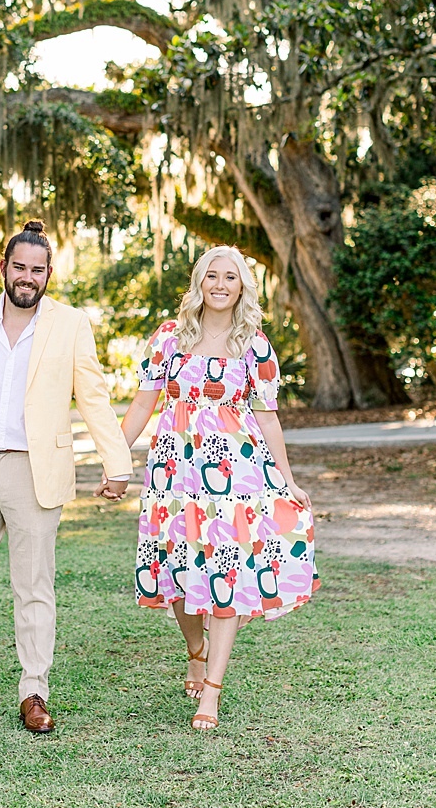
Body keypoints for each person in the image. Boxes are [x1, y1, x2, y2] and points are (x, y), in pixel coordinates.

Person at [0, 219, 136, 734]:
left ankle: (34, 688)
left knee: (33, 584)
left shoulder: (71, 324)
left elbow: (94, 398)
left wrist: (118, 463)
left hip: (37, 469)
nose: (27, 278)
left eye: (37, 270)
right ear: (2, 268)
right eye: (19, 267)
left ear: (48, 274)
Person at [116, 244, 316, 731]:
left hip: (236, 478)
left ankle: (212, 693)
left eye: (231, 277)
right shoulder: (169, 337)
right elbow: (144, 406)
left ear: (242, 286)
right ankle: (195, 649)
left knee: (225, 573)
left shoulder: (255, 344)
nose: (221, 284)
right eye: (212, 276)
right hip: (173, 475)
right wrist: (115, 459)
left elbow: (268, 419)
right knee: (180, 575)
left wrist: (287, 480)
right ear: (199, 283)